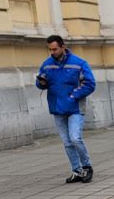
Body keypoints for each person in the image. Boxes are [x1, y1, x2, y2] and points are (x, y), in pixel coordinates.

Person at [36, 34, 96, 183]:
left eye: (55, 49)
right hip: (57, 107)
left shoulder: (79, 63)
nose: (52, 52)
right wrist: (41, 83)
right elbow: (40, 83)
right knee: (67, 142)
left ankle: (87, 166)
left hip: (75, 107)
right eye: (50, 49)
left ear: (63, 47)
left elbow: (90, 84)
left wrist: (74, 95)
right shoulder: (47, 64)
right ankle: (77, 170)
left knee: (75, 138)